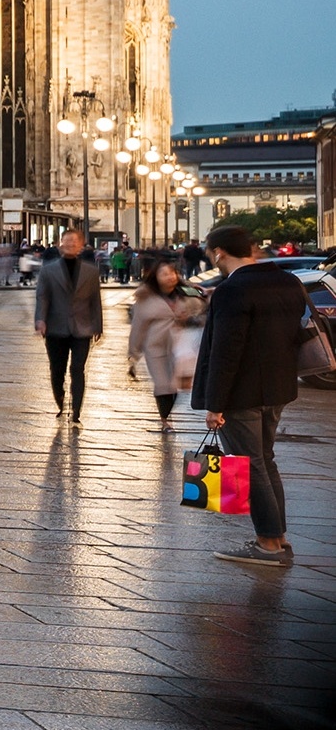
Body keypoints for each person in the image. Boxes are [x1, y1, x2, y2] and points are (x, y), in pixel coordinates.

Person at [193, 224, 305, 569]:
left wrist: (215, 404)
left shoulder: (232, 290)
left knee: (249, 464)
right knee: (264, 460)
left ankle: (268, 544)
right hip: (279, 388)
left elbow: (226, 352)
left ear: (219, 254)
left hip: (241, 394)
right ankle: (278, 537)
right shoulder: (289, 282)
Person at [31, 228, 104, 422]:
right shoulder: (48, 269)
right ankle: (60, 398)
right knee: (57, 369)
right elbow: (42, 297)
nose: (71, 244)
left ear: (81, 245)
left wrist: (98, 326)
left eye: (75, 241)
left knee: (78, 368)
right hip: (56, 327)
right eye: (67, 240)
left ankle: (77, 408)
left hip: (83, 327)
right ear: (60, 243)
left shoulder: (91, 271)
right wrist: (40, 319)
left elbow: (95, 300)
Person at [125, 259, 202, 427]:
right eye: (164, 274)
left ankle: (167, 414)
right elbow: (138, 326)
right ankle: (165, 419)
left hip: (181, 345)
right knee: (162, 384)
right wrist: (134, 353)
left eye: (171, 273)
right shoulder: (146, 297)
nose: (169, 277)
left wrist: (189, 316)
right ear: (156, 277)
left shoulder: (186, 291)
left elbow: (203, 306)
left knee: (176, 385)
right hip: (156, 347)